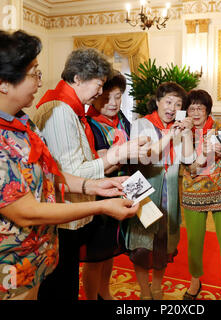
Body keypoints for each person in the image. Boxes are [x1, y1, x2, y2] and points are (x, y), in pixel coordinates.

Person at [0, 28, 139, 300]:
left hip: (35, 259)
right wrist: (101, 205)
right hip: (0, 267)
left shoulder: (21, 124)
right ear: (3, 82)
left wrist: (95, 184)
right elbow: (25, 212)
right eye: (34, 73)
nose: (40, 82)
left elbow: (50, 174)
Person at [33, 48, 150, 300]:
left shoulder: (71, 109)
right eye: (99, 86)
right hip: (64, 214)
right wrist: (117, 155)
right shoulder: (62, 110)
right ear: (77, 78)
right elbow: (72, 171)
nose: (101, 93)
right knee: (60, 286)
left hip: (78, 206)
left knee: (66, 282)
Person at [126, 82, 194, 300]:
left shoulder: (179, 128)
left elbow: (189, 160)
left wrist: (188, 133)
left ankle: (157, 287)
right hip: (144, 190)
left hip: (169, 192)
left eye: (177, 104)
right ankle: (144, 292)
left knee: (164, 245)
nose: (172, 108)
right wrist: (170, 135)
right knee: (142, 246)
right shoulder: (140, 124)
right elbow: (146, 157)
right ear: (157, 102)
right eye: (168, 101)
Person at [83, 71, 141, 300]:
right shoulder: (90, 124)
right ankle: (90, 296)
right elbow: (101, 165)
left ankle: (104, 292)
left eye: (117, 97)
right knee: (95, 255)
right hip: (100, 195)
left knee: (110, 251)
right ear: (96, 95)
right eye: (107, 97)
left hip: (122, 189)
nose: (113, 103)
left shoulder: (122, 120)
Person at [181, 90, 221, 300]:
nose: (196, 112)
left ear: (208, 110)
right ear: (186, 110)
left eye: (201, 107)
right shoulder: (183, 132)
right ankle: (195, 279)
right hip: (193, 193)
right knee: (194, 241)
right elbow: (188, 169)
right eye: (192, 108)